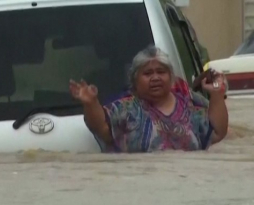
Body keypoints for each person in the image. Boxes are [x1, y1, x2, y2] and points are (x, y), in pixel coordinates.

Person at [69, 45, 228, 153]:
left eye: (161, 72)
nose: (155, 78)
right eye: (148, 73)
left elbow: (217, 133)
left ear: (171, 77)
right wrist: (91, 103)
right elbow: (101, 128)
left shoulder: (189, 107)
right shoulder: (126, 108)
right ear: (135, 80)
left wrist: (217, 94)